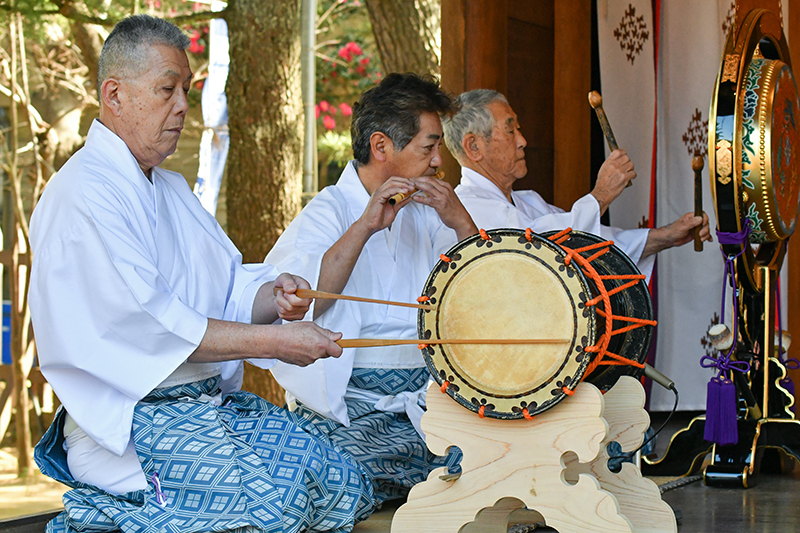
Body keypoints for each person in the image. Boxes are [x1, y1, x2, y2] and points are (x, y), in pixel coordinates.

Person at [30, 15, 374, 533]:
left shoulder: (168, 190)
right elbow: (157, 324)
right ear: (114, 94)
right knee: (264, 512)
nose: (183, 107)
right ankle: (101, 514)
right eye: (166, 90)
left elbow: (228, 288)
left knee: (343, 483)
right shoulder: (82, 193)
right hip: (129, 424)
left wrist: (272, 296)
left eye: (186, 91)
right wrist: (277, 343)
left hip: (205, 408)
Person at [265, 73, 477, 504]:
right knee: (343, 484)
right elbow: (297, 303)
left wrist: (462, 223)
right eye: (429, 146)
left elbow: (480, 298)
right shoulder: (329, 209)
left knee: (491, 470)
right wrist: (364, 226)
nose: (440, 161)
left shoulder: (433, 210)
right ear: (381, 147)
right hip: (352, 411)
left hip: (429, 403)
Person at [442, 89, 712, 281]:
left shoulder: (529, 201)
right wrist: (601, 195)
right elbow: (544, 249)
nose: (522, 140)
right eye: (511, 130)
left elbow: (593, 245)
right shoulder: (467, 206)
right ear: (474, 146)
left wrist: (666, 236)